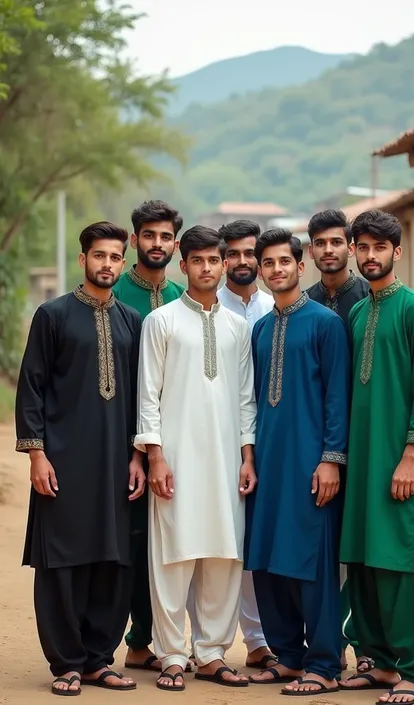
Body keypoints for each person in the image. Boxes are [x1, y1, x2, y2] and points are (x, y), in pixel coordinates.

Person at [15, 222, 145, 696]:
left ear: (122, 262)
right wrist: (37, 455)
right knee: (64, 563)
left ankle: (97, 660)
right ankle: (66, 662)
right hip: (64, 462)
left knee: (113, 560)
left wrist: (138, 455)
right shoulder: (52, 315)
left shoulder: (133, 321)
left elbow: (141, 396)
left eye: (114, 257)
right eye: (99, 256)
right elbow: (32, 386)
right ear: (83, 260)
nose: (106, 264)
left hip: (117, 462)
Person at [134, 225, 257, 692]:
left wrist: (247, 457)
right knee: (172, 554)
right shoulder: (161, 321)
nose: (207, 268)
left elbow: (246, 398)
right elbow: (148, 395)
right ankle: (171, 654)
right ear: (182, 266)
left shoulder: (238, 328)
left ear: (224, 265)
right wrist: (156, 458)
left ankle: (211, 653)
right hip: (176, 459)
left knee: (224, 554)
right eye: (198, 261)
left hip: (227, 458)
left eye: (214, 261)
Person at [339, 210, 414, 705]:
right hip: (361, 461)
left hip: (398, 459)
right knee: (363, 558)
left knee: (401, 559)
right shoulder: (359, 312)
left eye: (379, 247)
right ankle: (379, 662)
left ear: (396, 253)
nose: (369, 256)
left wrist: (411, 455)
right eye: (362, 247)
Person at [246, 228, 350, 696]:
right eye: (267, 264)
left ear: (299, 264)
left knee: (312, 561)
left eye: (283, 262)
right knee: (268, 559)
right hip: (269, 463)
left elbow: (337, 398)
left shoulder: (325, 323)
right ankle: (288, 656)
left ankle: (324, 662)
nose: (275, 270)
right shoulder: (261, 328)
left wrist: (331, 459)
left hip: (311, 464)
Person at [185, 219, 275, 671]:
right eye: (232, 254)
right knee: (206, 542)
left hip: (266, 441)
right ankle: (203, 644)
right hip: (208, 446)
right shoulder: (201, 306)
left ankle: (259, 638)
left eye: (249, 253)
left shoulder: (276, 305)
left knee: (250, 543)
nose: (241, 262)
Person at [113, 199, 185, 675]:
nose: (156, 244)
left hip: (172, 444)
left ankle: (167, 641)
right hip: (117, 442)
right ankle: (135, 641)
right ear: (134, 240)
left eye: (165, 237)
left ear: (175, 244)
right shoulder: (113, 291)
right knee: (131, 544)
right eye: (148, 235)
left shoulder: (183, 295)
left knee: (171, 545)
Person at [306, 209, 371, 674]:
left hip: (368, 443)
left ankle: (368, 642)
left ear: (348, 246)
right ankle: (329, 642)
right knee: (323, 550)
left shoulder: (370, 298)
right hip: (317, 449)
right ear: (310, 251)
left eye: (336, 242)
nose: (328, 250)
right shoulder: (302, 302)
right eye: (320, 243)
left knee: (363, 549)